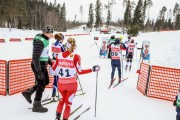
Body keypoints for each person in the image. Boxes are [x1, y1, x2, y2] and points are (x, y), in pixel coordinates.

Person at [52, 38, 100, 120]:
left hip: (61, 84)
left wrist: (55, 62)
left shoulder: (59, 55)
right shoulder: (76, 56)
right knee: (68, 104)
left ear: (66, 46)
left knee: (62, 100)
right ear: (74, 46)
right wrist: (92, 69)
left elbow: (53, 68)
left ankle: (57, 117)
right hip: (71, 85)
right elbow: (80, 71)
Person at [22, 25, 54, 113]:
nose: (52, 35)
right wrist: (39, 71)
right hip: (38, 65)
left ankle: (28, 92)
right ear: (46, 33)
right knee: (41, 84)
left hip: (42, 65)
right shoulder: (40, 41)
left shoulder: (45, 40)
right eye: (51, 33)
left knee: (46, 82)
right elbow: (35, 57)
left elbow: (44, 54)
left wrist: (50, 61)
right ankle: (36, 105)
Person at [51, 33, 66, 101]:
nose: (63, 40)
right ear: (61, 38)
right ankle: (56, 94)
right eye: (63, 39)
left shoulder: (53, 44)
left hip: (53, 63)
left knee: (55, 79)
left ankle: (54, 94)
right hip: (58, 64)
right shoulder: (61, 45)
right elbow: (65, 53)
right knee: (58, 79)